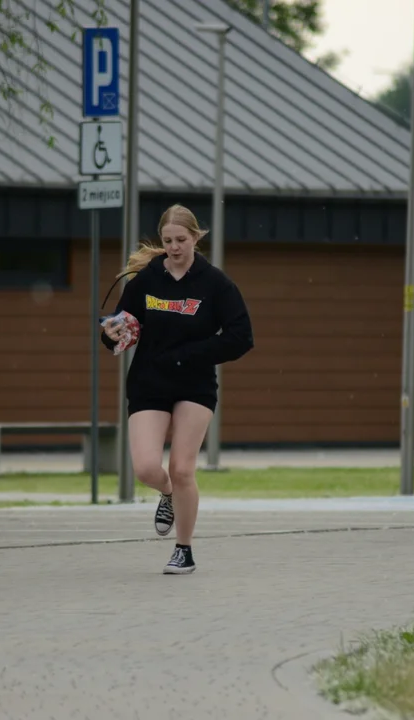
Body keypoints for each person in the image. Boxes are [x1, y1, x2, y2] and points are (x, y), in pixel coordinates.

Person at [101, 204, 254, 574]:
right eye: (168, 240)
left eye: (181, 240)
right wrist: (110, 334)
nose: (174, 247)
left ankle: (183, 549)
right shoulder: (146, 280)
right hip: (149, 382)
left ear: (196, 238)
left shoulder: (215, 284)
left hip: (194, 384)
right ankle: (168, 494)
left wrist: (189, 355)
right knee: (146, 468)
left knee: (183, 468)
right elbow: (120, 328)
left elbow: (241, 337)